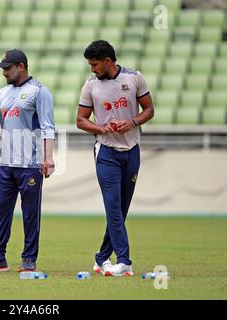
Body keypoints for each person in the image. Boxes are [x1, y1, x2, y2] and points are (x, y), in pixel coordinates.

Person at [0, 49, 55, 272]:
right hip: (5, 163)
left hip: (31, 164)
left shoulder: (39, 91)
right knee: (1, 213)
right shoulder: (3, 93)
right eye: (3, 69)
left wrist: (49, 159)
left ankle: (29, 259)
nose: (4, 72)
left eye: (7, 68)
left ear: (21, 66)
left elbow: (48, 127)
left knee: (30, 214)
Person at [76, 40, 154, 276]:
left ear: (108, 61)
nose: (92, 69)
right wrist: (103, 128)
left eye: (95, 64)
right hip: (106, 152)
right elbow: (81, 120)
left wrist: (131, 123)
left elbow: (149, 110)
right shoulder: (90, 86)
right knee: (113, 208)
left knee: (121, 208)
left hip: (132, 151)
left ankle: (101, 258)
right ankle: (124, 261)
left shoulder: (134, 78)